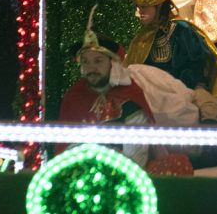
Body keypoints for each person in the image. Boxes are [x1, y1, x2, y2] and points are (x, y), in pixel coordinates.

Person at [124, 0, 217, 124]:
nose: (140, 12)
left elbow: (198, 64)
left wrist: (178, 87)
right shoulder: (143, 37)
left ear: (159, 6)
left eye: (144, 7)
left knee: (208, 106)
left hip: (189, 87)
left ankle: (212, 143)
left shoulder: (182, 29)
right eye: (138, 7)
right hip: (155, 92)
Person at [58, 21, 154, 167]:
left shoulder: (129, 96)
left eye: (98, 61)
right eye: (85, 62)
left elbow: (136, 155)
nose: (91, 68)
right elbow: (66, 150)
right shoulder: (74, 97)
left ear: (112, 63)